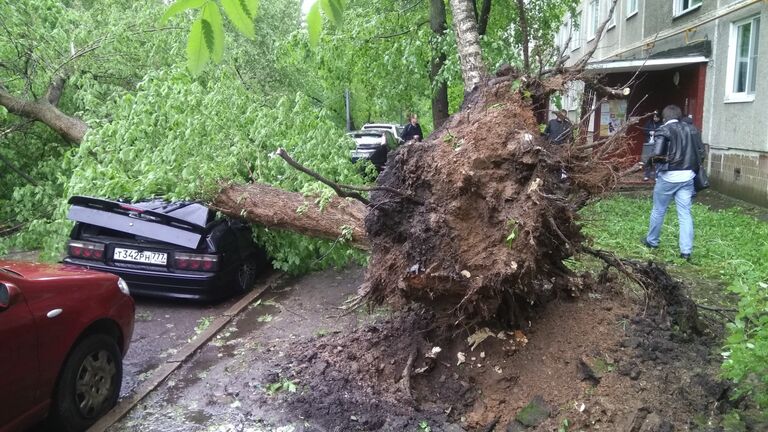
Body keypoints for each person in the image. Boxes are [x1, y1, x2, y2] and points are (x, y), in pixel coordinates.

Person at [642, 105, 705, 261]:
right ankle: (686, 251)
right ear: (679, 116)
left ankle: (652, 241)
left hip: (668, 177)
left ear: (665, 118)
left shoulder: (663, 130)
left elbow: (657, 153)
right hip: (687, 177)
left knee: (659, 210)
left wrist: (647, 163)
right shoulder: (693, 130)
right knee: (685, 214)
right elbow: (701, 153)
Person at [641, 111, 663, 181]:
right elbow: (644, 130)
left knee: (657, 159)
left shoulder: (661, 124)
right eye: (654, 117)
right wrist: (649, 132)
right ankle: (647, 175)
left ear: (659, 118)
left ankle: (656, 176)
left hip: (657, 144)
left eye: (657, 117)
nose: (655, 118)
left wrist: (656, 133)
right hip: (649, 143)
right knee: (648, 159)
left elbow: (662, 132)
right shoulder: (649, 123)